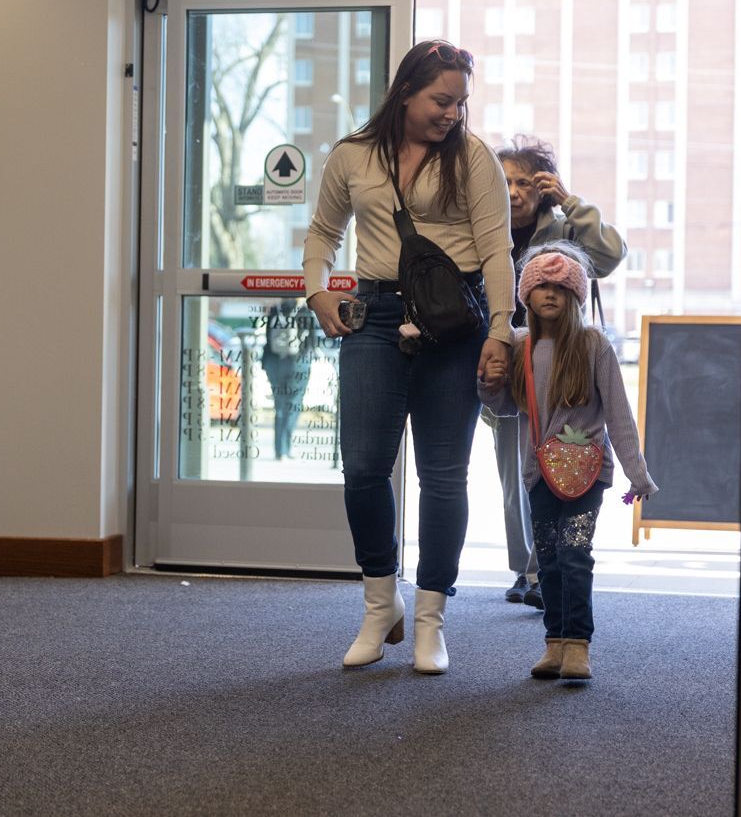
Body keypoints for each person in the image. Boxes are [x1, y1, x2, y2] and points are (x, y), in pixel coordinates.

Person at [303, 38, 514, 675]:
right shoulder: (352, 155)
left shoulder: (473, 158)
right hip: (375, 315)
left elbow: (498, 250)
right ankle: (380, 604)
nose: (452, 113)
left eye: (460, 102)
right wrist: (317, 290)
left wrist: (501, 330)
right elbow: (323, 232)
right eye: (440, 100)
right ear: (406, 92)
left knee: (443, 474)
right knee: (364, 466)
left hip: (455, 322)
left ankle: (430, 619)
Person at [478, 241, 656, 680]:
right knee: (550, 561)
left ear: (576, 296)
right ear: (526, 295)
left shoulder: (594, 345)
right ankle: (554, 642)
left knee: (575, 553)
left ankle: (579, 645)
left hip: (588, 473)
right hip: (538, 474)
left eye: (561, 286)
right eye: (542, 285)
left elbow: (618, 412)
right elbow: (503, 409)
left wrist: (638, 474)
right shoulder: (519, 345)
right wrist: (487, 384)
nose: (551, 293)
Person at [487, 138, 626, 609]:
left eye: (524, 181)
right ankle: (525, 568)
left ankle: (543, 573)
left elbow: (608, 257)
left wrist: (569, 201)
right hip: (505, 357)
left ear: (542, 188)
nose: (512, 191)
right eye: (504, 181)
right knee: (514, 471)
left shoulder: (564, 226)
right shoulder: (483, 228)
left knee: (557, 459)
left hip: (561, 363)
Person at [261, 297, 316, 459]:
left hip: (275, 363)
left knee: (279, 405)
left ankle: (279, 450)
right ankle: (286, 447)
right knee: (293, 405)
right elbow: (312, 342)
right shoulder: (305, 312)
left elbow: (267, 339)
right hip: (298, 364)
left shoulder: (275, 311)